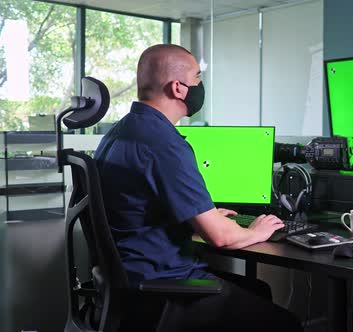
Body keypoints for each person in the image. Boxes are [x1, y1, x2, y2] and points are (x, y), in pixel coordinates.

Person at [94, 44, 302, 332]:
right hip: (164, 285)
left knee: (258, 292)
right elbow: (220, 238)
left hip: (130, 282)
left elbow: (136, 209)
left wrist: (203, 214)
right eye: (197, 77)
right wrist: (256, 231)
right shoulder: (164, 144)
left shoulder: (121, 132)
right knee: (286, 325)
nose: (200, 85)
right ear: (178, 88)